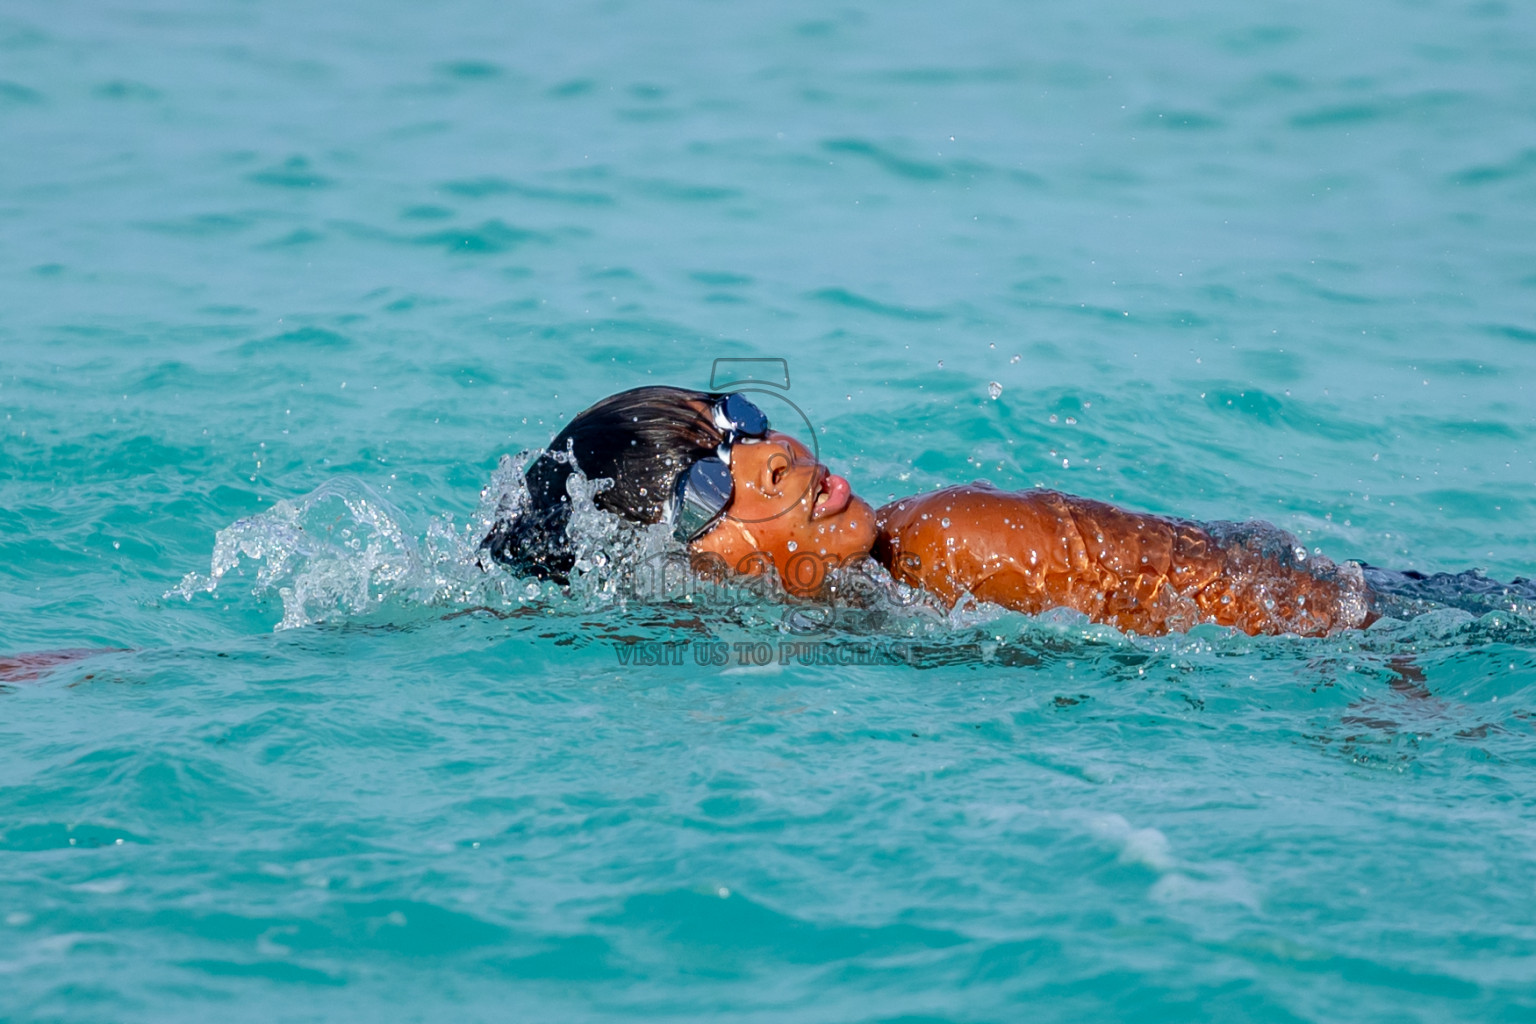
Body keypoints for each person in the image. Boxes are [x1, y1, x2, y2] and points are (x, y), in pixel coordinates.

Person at [482, 385, 1534, 638]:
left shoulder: (950, 540)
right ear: (673, 567)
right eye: (712, 479)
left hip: (1422, 623)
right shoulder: (841, 608)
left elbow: (1316, 608)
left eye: (740, 418)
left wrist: (1398, 688)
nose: (773, 454)